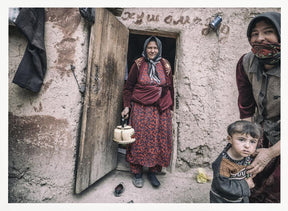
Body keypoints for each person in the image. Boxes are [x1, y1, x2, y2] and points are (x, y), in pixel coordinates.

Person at [236, 12, 280, 203]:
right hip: (262, 129)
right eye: (254, 33)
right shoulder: (246, 62)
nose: (260, 38)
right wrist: (248, 141)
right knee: (249, 179)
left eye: (268, 32)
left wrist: (271, 153)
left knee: (277, 189)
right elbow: (246, 107)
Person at [121, 36, 174, 188]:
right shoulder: (138, 64)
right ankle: (137, 171)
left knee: (159, 140)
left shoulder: (165, 65)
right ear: (145, 49)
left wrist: (170, 107)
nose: (152, 51)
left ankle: (152, 171)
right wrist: (126, 106)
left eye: (155, 48)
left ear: (159, 49)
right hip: (141, 109)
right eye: (149, 48)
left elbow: (170, 87)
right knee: (139, 139)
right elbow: (128, 87)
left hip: (160, 110)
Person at [210, 120, 263, 203]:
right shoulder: (224, 164)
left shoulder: (245, 154)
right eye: (241, 140)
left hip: (240, 197)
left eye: (252, 142)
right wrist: (246, 185)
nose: (247, 145)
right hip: (223, 200)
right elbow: (223, 185)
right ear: (230, 139)